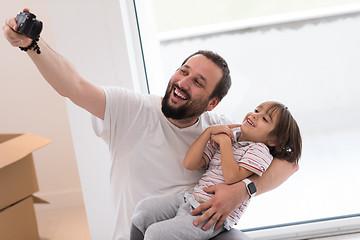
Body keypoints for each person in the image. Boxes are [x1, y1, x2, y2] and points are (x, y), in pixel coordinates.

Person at [3, 9, 298, 240]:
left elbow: (289, 163)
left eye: (198, 82)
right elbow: (74, 86)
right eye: (183, 71)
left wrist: (242, 191)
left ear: (212, 103)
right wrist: (33, 45)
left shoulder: (221, 127)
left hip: (196, 229)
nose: (183, 82)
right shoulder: (131, 109)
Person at [131, 101, 302, 240]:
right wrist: (209, 133)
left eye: (265, 119)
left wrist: (225, 143)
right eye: (257, 110)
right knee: (144, 210)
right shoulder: (230, 138)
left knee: (156, 234)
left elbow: (231, 177)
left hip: (212, 216)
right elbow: (190, 163)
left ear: (273, 140)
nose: (255, 115)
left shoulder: (260, 151)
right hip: (190, 199)